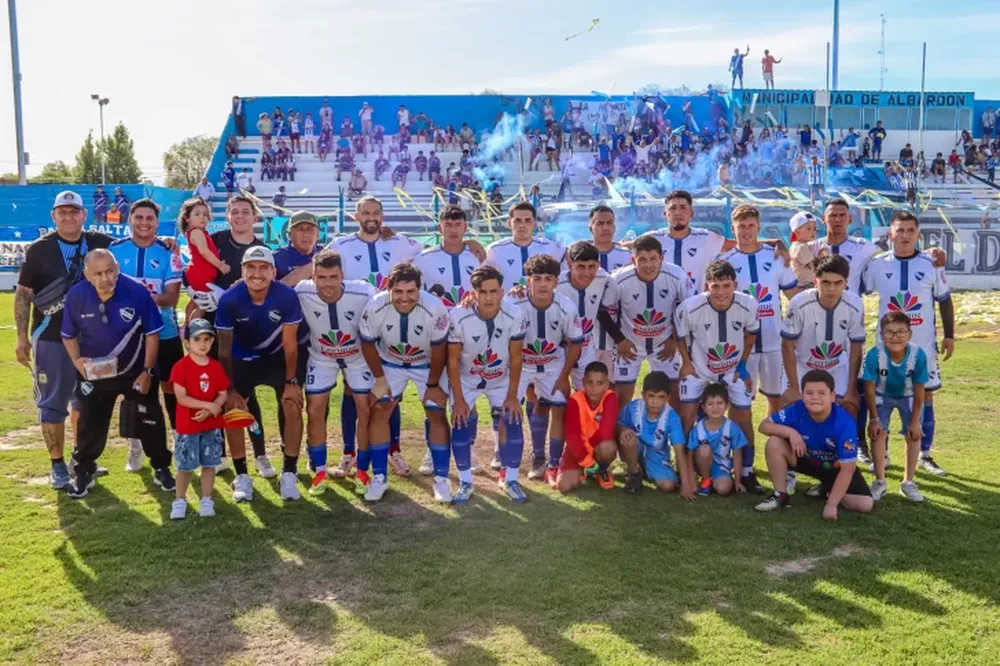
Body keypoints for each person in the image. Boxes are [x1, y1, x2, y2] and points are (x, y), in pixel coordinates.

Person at [15, 191, 114, 489]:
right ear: (53, 216)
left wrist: (169, 243)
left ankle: (80, 459)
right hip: (51, 337)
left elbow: (134, 247)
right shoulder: (39, 250)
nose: (69, 217)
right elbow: (23, 295)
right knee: (53, 403)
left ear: (84, 215)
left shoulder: (100, 243)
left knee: (87, 402)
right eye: (63, 212)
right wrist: (21, 338)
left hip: (93, 340)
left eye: (75, 211)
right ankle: (57, 465)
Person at [323, 196, 426, 475]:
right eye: (365, 212)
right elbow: (319, 269)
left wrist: (470, 246)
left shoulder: (399, 242)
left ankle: (394, 450)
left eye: (376, 213)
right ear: (356, 216)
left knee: (391, 392)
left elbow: (430, 252)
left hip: (390, 329)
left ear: (383, 216)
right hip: (354, 328)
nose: (371, 217)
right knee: (351, 389)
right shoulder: (340, 245)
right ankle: (348, 452)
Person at [61, 249, 175, 498]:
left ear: (117, 268)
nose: (105, 278)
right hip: (96, 375)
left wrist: (146, 371)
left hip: (135, 372)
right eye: (98, 273)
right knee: (90, 423)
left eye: (109, 270)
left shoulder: (136, 291)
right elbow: (68, 335)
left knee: (150, 418)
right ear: (87, 275)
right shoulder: (77, 295)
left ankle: (161, 467)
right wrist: (78, 363)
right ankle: (84, 471)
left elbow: (152, 333)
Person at [860, 211, 954, 476]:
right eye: (899, 230)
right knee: (882, 395)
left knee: (925, 395)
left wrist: (949, 335)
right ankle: (884, 452)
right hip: (885, 347)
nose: (904, 235)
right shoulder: (878, 265)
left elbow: (944, 300)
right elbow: (858, 289)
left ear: (918, 235)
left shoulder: (931, 263)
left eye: (910, 230)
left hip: (922, 346)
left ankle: (925, 454)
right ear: (891, 233)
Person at [215, 246, 305, 502]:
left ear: (273, 272)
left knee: (292, 404)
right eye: (251, 267)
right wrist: (230, 389)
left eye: (263, 267)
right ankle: (242, 475)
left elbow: (290, 344)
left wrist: (291, 382)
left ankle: (289, 472)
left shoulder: (286, 296)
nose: (257, 273)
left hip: (277, 359)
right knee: (233, 411)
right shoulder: (230, 298)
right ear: (242, 271)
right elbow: (224, 348)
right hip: (242, 360)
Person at [358, 262, 451, 502]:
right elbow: (368, 343)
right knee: (379, 410)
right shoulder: (376, 305)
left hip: (428, 365)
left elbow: (440, 349)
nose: (404, 298)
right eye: (398, 291)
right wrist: (379, 379)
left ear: (420, 289)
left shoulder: (434, 307)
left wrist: (432, 386)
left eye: (411, 292)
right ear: (388, 289)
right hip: (391, 364)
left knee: (437, 412)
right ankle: (379, 477)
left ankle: (441, 479)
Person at [109, 198, 184, 473]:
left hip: (165, 333)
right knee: (141, 391)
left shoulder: (169, 252)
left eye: (149, 218)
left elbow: (172, 297)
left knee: (173, 388)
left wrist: (136, 298)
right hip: (127, 337)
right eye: (138, 217)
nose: (144, 223)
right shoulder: (114, 251)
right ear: (130, 220)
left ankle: (179, 440)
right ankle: (137, 445)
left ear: (156, 221)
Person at [675, 259, 760, 491]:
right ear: (706, 286)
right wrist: (686, 363)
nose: (721, 292)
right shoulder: (690, 307)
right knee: (687, 414)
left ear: (735, 284)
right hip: (699, 367)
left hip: (732, 368)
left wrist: (743, 366)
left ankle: (746, 471)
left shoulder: (749, 304)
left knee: (744, 413)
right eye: (715, 286)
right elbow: (680, 335)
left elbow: (750, 335)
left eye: (726, 285)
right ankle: (684, 467)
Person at [295, 250, 376, 491]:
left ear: (342, 275)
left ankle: (362, 470)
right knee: (315, 410)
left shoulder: (363, 291)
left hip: (358, 358)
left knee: (365, 409)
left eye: (333, 277)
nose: (328, 283)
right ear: (313, 277)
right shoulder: (302, 291)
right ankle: (320, 471)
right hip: (321, 358)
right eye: (322, 277)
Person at [447, 265, 528, 503]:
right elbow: (452, 360)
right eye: (483, 292)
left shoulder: (515, 314)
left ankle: (511, 479)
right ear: (474, 292)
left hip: (500, 378)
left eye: (494, 291)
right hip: (467, 378)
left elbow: (516, 357)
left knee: (512, 418)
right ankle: (465, 482)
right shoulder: (458, 315)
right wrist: (459, 400)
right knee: (460, 421)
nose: (489, 297)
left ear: (502, 292)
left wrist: (512, 396)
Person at [412, 205, 483, 473]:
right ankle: (433, 451)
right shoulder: (423, 259)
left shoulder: (479, 256)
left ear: (466, 227)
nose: (453, 229)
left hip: (473, 336)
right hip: (437, 337)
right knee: (437, 396)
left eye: (458, 224)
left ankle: (468, 449)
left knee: (469, 395)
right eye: (448, 224)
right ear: (439, 227)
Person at [755, 369, 874, 520]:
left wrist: (831, 505)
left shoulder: (844, 422)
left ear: (832, 396)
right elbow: (763, 426)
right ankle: (780, 494)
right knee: (774, 442)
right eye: (809, 393)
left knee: (864, 505)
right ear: (802, 395)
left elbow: (848, 469)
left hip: (834, 468)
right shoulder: (798, 409)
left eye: (821, 393)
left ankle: (827, 489)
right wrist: (791, 433)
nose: (815, 398)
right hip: (804, 458)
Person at [509, 254, 584, 490]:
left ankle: (553, 464)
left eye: (548, 278)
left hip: (553, 365)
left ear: (556, 281)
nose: (542, 284)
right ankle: (528, 459)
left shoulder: (566, 306)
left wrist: (564, 377)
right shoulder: (515, 304)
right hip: (523, 365)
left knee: (558, 409)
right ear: (528, 280)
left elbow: (576, 343)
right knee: (508, 410)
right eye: (537, 278)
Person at [720, 205, 799, 419]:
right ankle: (741, 452)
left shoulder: (776, 256)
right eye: (741, 226)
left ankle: (776, 447)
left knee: (777, 399)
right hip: (740, 344)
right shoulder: (725, 262)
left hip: (774, 342)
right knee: (739, 401)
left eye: (751, 226)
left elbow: (792, 293)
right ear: (733, 229)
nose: (746, 231)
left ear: (759, 227)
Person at [610, 235, 690, 409]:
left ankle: (673, 436)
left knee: (675, 397)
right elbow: (603, 311)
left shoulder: (677, 275)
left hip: (664, 344)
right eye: (642, 260)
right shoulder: (618, 279)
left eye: (653, 259)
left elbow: (688, 310)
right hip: (630, 345)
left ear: (661, 258)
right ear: (633, 260)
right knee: (622, 398)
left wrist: (674, 340)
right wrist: (619, 340)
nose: (648, 265)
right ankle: (620, 435)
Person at [781, 254, 865, 414]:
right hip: (803, 365)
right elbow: (787, 346)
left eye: (838, 283)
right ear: (815, 281)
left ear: (846, 283)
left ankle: (849, 440)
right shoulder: (799, 303)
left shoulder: (855, 304)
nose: (831, 288)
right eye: (825, 282)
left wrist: (852, 388)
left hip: (836, 365)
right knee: (789, 408)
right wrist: (793, 387)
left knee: (849, 406)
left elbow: (856, 347)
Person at [861, 312, 929, 503]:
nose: (895, 337)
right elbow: (869, 388)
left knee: (913, 434)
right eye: (889, 333)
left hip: (908, 396)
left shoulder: (917, 355)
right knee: (878, 433)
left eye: (901, 332)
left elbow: (919, 390)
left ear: (910, 334)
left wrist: (915, 421)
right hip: (882, 395)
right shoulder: (875, 355)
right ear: (882, 335)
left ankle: (908, 482)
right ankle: (880, 481)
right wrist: (873, 419)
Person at [168, 318, 228, 520]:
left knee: (209, 464)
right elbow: (181, 397)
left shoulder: (216, 367)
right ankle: (179, 500)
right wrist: (208, 406)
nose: (203, 344)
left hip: (211, 425)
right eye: (197, 339)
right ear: (187, 342)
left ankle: (207, 499)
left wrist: (213, 409)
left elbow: (222, 393)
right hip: (188, 426)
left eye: (207, 339)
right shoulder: (181, 367)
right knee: (185, 466)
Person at [557, 361, 632, 493]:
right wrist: (586, 460)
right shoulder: (575, 400)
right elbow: (572, 436)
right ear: (583, 381)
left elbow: (605, 432)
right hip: (578, 449)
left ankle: (601, 469)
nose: (593, 388)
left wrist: (591, 458)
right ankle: (589, 469)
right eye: (589, 382)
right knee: (564, 486)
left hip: (599, 447)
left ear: (607, 384)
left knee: (608, 447)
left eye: (599, 383)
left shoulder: (610, 397)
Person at [616, 371, 691, 497]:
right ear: (643, 395)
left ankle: (646, 469)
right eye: (651, 396)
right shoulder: (633, 407)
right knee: (628, 439)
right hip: (635, 447)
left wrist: (686, 484)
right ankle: (634, 474)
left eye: (661, 397)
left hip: (657, 453)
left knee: (668, 486)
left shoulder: (672, 417)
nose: (655, 401)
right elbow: (617, 424)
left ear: (668, 398)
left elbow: (679, 450)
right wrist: (623, 429)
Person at [485, 202, 566, 290]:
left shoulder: (551, 247)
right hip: (506, 302)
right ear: (509, 223)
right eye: (518, 220)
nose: (522, 225)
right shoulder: (494, 250)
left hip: (541, 302)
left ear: (534, 224)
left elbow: (574, 257)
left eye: (528, 220)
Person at [687, 383, 749, 496]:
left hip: (721, 465)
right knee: (704, 449)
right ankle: (705, 481)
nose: (715, 407)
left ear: (727, 406)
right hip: (700, 463)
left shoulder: (732, 428)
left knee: (723, 489)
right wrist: (691, 480)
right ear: (704, 408)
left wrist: (738, 481)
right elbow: (689, 455)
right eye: (710, 404)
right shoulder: (698, 429)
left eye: (720, 403)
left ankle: (715, 479)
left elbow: (737, 455)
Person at [180, 198, 229, 322]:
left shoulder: (202, 232)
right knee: (203, 306)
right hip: (201, 275)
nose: (202, 217)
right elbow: (204, 251)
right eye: (197, 214)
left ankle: (186, 325)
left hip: (202, 274)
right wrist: (219, 265)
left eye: (205, 214)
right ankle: (191, 329)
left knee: (194, 302)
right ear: (187, 218)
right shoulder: (196, 232)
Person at [274, 211, 321, 285]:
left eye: (310, 229)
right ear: (289, 234)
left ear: (318, 234)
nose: (305, 234)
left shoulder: (326, 255)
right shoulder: (276, 257)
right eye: (300, 229)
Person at [787, 211, 826, 286]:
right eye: (809, 229)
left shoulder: (799, 246)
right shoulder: (800, 247)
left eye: (814, 229)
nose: (813, 232)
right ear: (797, 232)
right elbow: (812, 265)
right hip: (805, 285)